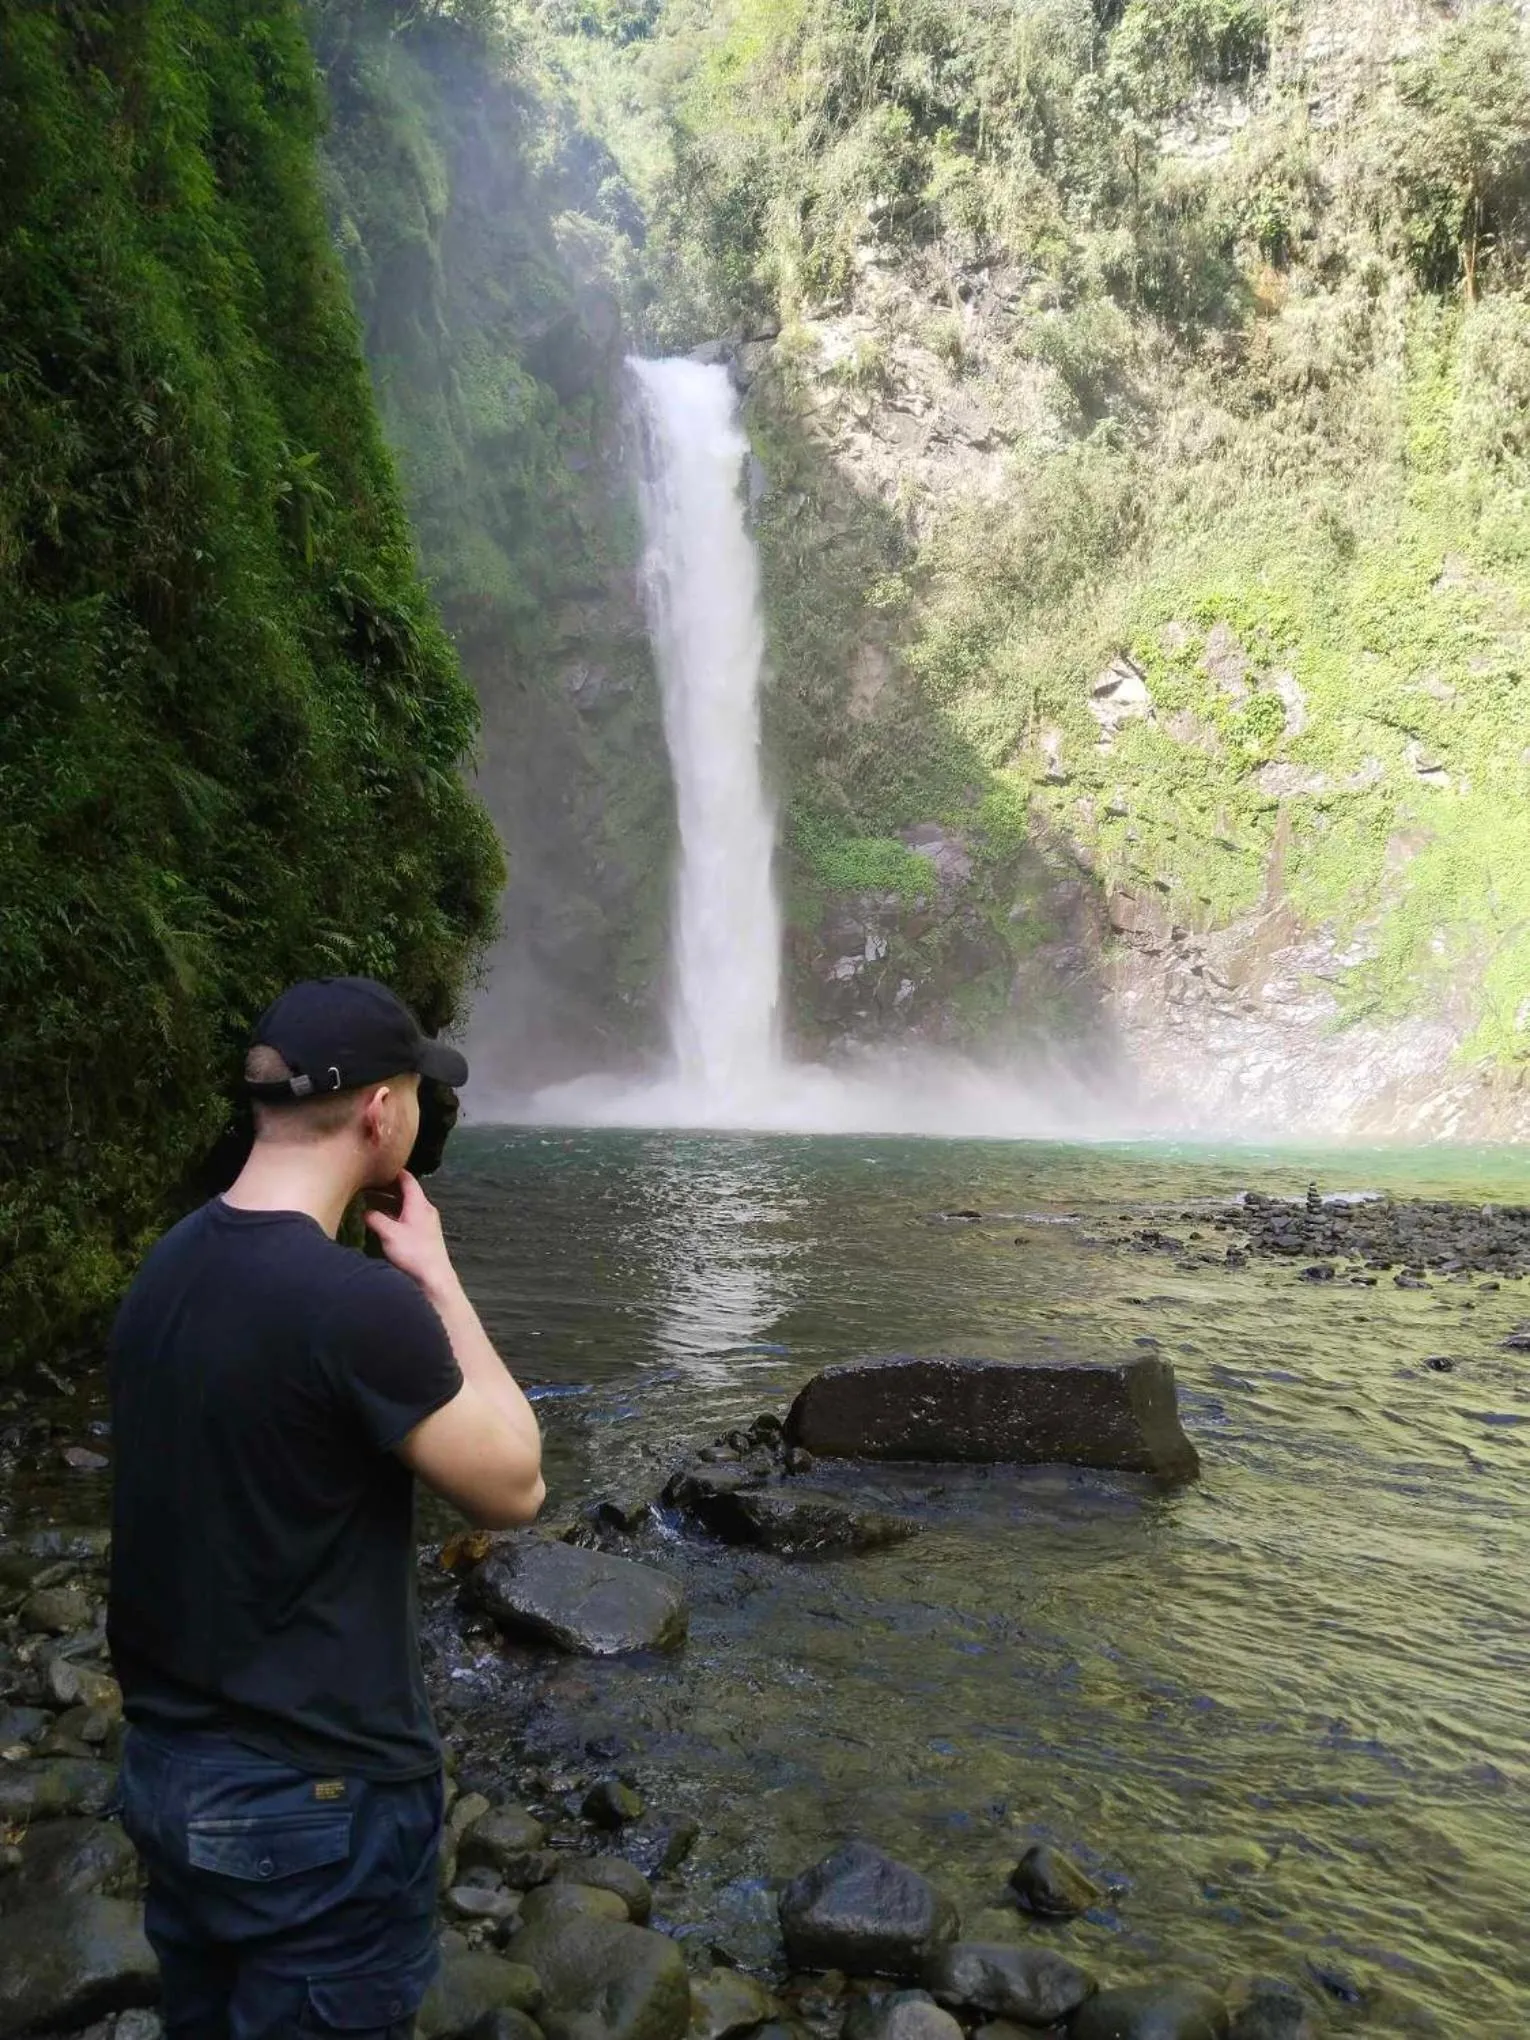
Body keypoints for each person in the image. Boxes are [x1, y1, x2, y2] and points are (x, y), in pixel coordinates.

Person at [107, 976, 544, 2040]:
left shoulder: (166, 1268)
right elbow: (516, 1483)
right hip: (316, 1805)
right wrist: (439, 1282)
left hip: (172, 1776)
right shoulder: (356, 1306)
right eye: (414, 1095)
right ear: (378, 1112)